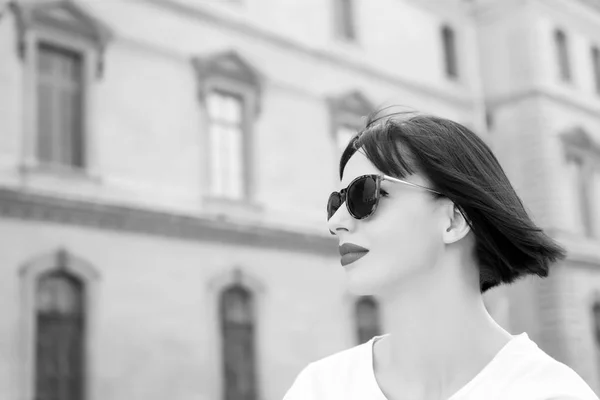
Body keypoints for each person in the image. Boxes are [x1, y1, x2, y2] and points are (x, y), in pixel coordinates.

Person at [282, 111, 599, 400]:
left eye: (363, 195)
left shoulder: (551, 393)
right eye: (336, 202)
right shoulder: (319, 389)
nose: (335, 222)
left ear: (454, 220)